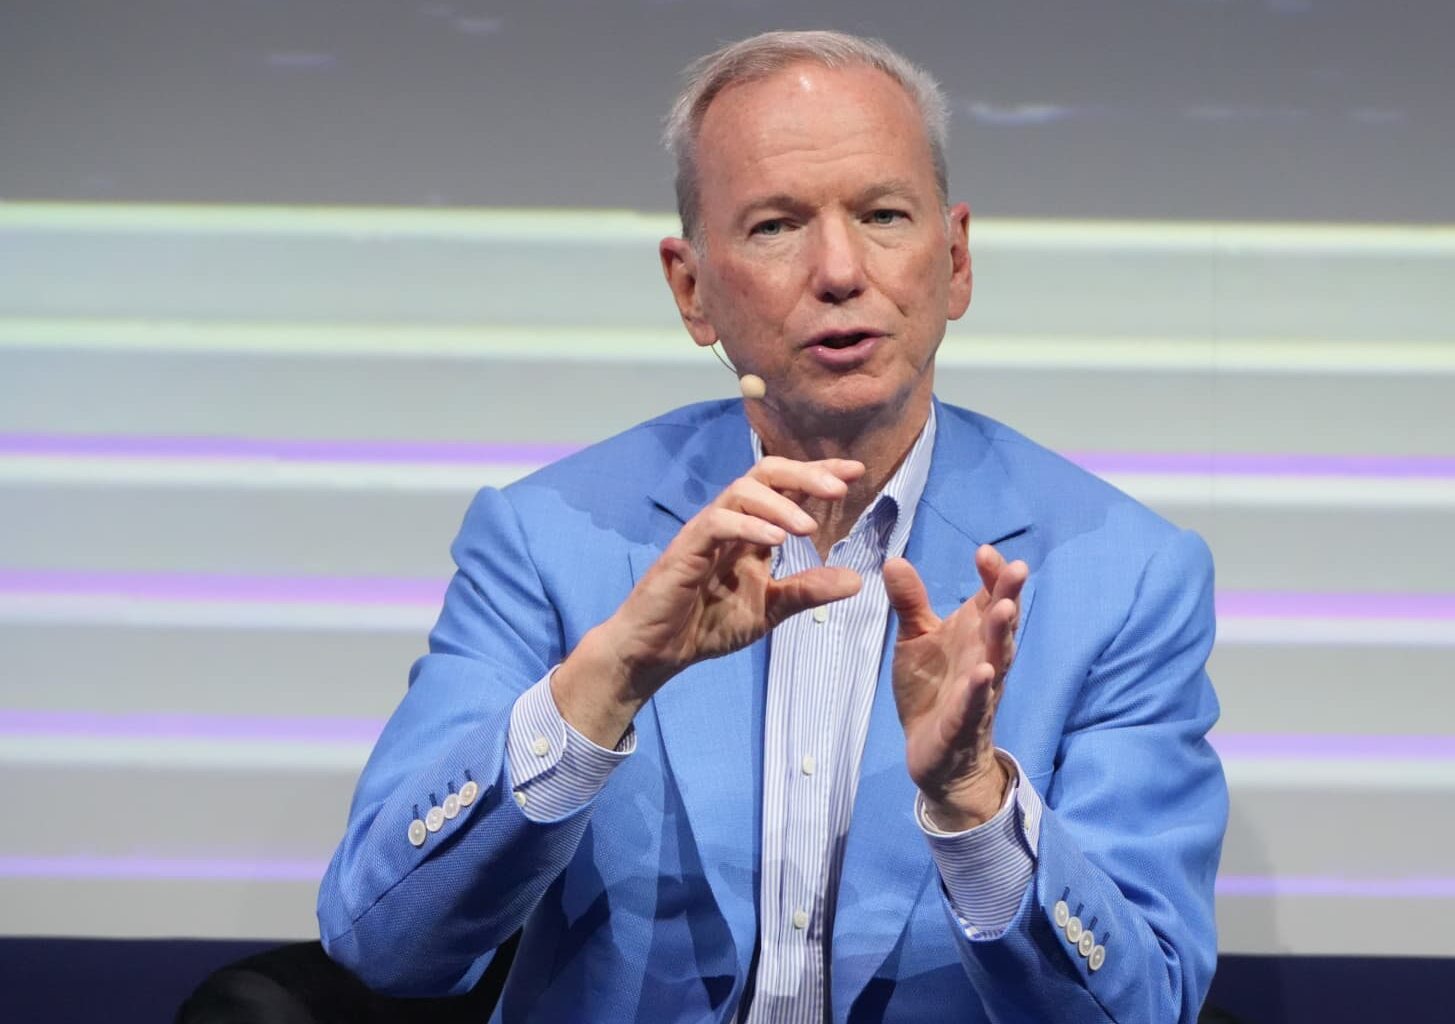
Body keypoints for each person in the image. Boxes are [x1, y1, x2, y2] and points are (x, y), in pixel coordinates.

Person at [317, 29, 1227, 1023]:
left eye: (883, 215)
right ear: (692, 289)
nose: (839, 270)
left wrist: (977, 804)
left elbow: (1146, 1004)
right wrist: (604, 683)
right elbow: (382, 941)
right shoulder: (548, 538)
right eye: (776, 226)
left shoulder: (1124, 576)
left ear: (956, 259)